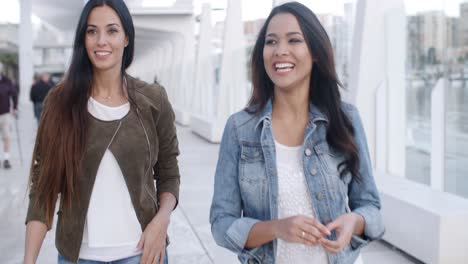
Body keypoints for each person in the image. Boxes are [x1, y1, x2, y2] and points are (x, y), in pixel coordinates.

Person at [209, 2, 384, 264]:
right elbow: (221, 224)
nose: (280, 51)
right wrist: (277, 228)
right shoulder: (239, 128)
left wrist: (354, 221)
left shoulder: (345, 119)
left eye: (294, 40)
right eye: (271, 42)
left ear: (314, 52)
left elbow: (372, 209)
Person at [24, 1, 180, 264]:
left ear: (126, 37)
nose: (101, 41)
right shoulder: (60, 102)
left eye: (112, 31)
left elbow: (168, 171)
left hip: (143, 255)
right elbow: (43, 188)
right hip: (79, 257)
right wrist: (29, 260)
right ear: (82, 39)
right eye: (92, 31)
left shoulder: (153, 99)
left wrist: (161, 220)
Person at [0, 61, 18, 170]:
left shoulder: (7, 81)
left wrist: (15, 108)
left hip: (5, 114)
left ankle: (6, 159)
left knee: (6, 137)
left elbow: (14, 94)